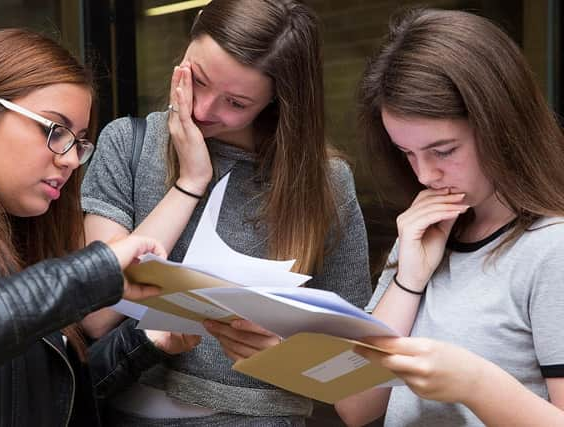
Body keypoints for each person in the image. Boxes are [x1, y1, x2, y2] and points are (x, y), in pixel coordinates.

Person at [80, 0, 372, 425]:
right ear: (192, 34)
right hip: (127, 410)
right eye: (196, 79)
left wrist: (283, 357)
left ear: (277, 101)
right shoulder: (128, 143)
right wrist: (190, 182)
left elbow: (353, 379)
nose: (202, 110)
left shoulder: (324, 183)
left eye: (236, 103)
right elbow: (96, 312)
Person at [0, 28, 200, 427]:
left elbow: (47, 397)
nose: (72, 160)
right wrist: (92, 271)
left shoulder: (16, 234)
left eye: (79, 141)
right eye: (55, 131)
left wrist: (145, 341)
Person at [334, 8, 564, 426]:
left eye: (443, 151)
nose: (424, 175)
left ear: (502, 125)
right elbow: (354, 406)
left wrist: (477, 384)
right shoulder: (422, 232)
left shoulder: (552, 249)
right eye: (407, 154)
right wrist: (409, 279)